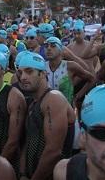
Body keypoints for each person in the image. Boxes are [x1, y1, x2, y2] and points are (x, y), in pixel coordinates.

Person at [17, 52, 75, 180]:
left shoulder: (54, 99)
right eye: (20, 73)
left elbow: (54, 152)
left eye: (29, 71)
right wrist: (22, 174)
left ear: (43, 74)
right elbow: (28, 142)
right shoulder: (33, 104)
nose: (23, 77)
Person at [44, 37, 95, 106]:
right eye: (46, 46)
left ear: (61, 50)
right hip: (47, 109)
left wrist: (78, 96)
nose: (49, 48)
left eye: (53, 46)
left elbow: (92, 79)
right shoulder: (41, 67)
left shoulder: (70, 66)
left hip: (67, 109)